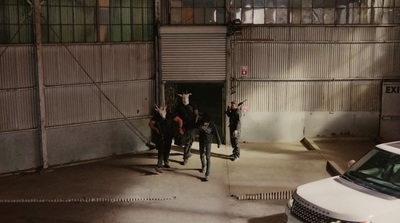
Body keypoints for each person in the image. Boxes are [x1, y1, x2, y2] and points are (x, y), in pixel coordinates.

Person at [149, 105, 183, 173]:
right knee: (161, 150)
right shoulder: (157, 117)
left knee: (167, 149)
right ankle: (159, 165)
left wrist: (179, 128)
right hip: (161, 136)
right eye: (160, 110)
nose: (162, 111)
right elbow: (151, 124)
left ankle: (166, 162)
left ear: (165, 110)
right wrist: (156, 129)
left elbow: (179, 120)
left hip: (169, 135)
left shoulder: (170, 115)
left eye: (163, 109)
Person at [176, 93, 199, 165]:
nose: (184, 100)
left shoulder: (192, 105)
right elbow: (177, 116)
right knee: (186, 142)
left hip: (191, 126)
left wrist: (195, 124)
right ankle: (186, 156)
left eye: (185, 98)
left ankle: (187, 154)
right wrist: (179, 126)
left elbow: (196, 114)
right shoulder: (179, 106)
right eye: (183, 98)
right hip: (184, 126)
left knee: (190, 140)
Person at [198, 112, 221, 181]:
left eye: (206, 122)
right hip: (201, 141)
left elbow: (216, 133)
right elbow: (197, 126)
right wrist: (201, 127)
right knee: (201, 155)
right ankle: (203, 166)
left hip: (208, 142)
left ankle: (207, 174)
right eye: (204, 122)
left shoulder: (212, 125)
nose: (205, 123)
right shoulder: (200, 122)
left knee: (208, 157)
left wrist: (218, 142)